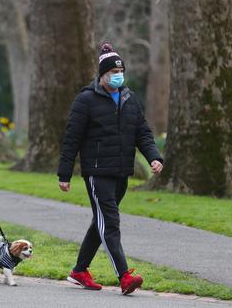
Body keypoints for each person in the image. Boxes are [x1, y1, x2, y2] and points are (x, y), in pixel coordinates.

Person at [57, 43, 164, 295]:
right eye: (113, 72)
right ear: (102, 75)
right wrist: (64, 173)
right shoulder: (86, 99)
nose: (118, 75)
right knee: (111, 222)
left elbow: (143, 133)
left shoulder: (129, 98)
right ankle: (124, 276)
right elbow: (71, 138)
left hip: (121, 172)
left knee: (101, 222)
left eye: (121, 71)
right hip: (96, 172)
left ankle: (79, 271)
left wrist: (154, 157)